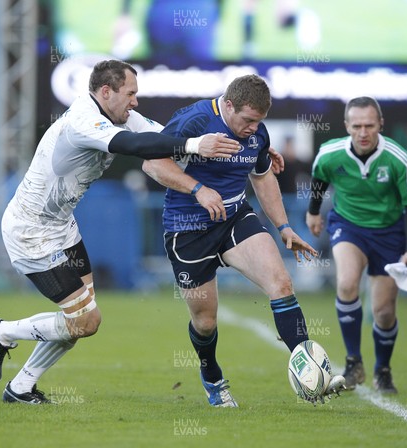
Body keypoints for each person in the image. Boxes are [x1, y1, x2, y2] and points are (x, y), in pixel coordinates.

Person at [0, 59, 242, 404]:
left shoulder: (119, 114)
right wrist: (193, 146)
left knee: (78, 320)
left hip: (62, 227)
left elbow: (162, 138)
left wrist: (246, 154)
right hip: (31, 232)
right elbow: (137, 147)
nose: (135, 102)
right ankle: (0, 331)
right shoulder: (83, 121)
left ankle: (21, 387)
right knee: (86, 320)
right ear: (106, 92)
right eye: (130, 93)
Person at [142, 74, 345, 407]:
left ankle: (309, 370)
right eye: (248, 120)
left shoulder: (256, 133)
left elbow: (262, 176)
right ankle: (212, 376)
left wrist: (283, 227)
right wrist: (198, 188)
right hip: (187, 229)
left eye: (259, 122)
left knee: (281, 283)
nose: (253, 128)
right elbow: (152, 162)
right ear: (229, 104)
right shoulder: (194, 121)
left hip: (235, 218)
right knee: (205, 323)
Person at [305, 96, 407, 394]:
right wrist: (313, 212)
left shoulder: (398, 159)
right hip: (348, 226)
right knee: (346, 284)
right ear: (346, 126)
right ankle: (353, 361)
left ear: (380, 124)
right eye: (356, 125)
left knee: (384, 312)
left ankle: (382, 370)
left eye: (369, 125)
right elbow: (319, 179)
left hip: (390, 233)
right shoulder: (330, 154)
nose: (363, 132)